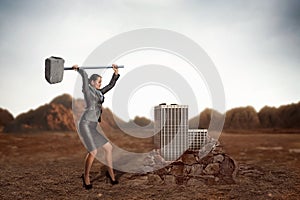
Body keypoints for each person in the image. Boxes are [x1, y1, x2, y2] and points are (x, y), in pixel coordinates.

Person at [72, 64, 120, 190]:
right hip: (85, 124)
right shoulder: (88, 91)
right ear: (92, 82)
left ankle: (110, 174)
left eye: (100, 82)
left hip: (92, 126)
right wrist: (80, 70)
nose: (100, 84)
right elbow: (84, 78)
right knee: (93, 151)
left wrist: (115, 74)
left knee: (108, 148)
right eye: (98, 82)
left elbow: (110, 86)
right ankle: (86, 176)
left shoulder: (99, 93)